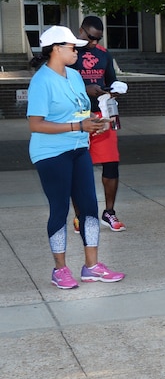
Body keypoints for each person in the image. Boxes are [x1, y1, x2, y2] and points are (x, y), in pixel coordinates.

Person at [26, 26, 125, 289]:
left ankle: (91, 266)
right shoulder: (41, 81)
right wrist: (77, 127)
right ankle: (60, 269)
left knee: (89, 208)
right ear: (56, 49)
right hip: (50, 153)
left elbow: (79, 112)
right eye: (72, 47)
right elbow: (36, 124)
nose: (77, 51)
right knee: (60, 209)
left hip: (79, 148)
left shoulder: (74, 75)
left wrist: (93, 121)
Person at [73, 16, 126, 232]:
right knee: (77, 166)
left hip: (102, 114)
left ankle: (109, 213)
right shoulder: (69, 53)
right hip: (77, 116)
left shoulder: (104, 54)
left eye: (99, 38)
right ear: (81, 30)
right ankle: (79, 216)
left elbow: (111, 81)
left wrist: (114, 94)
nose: (95, 42)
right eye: (91, 37)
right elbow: (61, 85)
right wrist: (85, 89)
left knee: (111, 164)